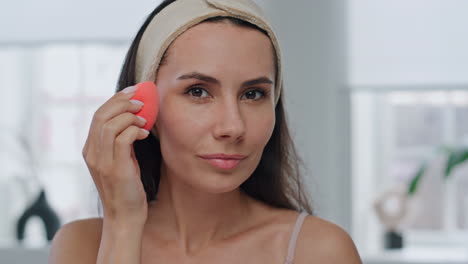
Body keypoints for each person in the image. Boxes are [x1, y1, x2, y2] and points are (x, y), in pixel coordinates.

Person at [49, 0, 362, 263]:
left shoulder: (319, 250)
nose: (233, 127)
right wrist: (122, 228)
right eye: (198, 91)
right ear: (144, 109)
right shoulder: (83, 246)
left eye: (253, 94)